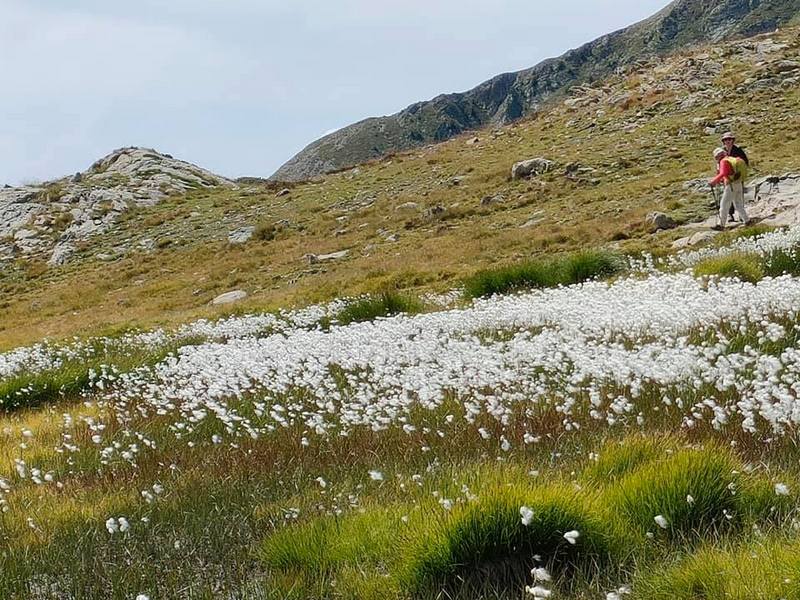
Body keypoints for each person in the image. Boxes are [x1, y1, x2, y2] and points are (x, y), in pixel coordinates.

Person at [709, 147, 749, 230]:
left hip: (730, 185)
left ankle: (721, 225)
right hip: (738, 183)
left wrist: (713, 181)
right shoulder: (731, 159)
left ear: (718, 156)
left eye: (716, 157)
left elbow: (723, 173)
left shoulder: (723, 161)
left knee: (724, 205)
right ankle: (747, 220)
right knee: (738, 204)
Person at [721, 132, 749, 221]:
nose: (727, 141)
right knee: (728, 196)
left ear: (732, 140)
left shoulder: (738, 150)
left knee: (738, 197)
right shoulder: (722, 151)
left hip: (738, 177)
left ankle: (742, 216)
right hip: (727, 178)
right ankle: (730, 214)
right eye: (726, 140)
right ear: (723, 141)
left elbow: (745, 162)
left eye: (729, 139)